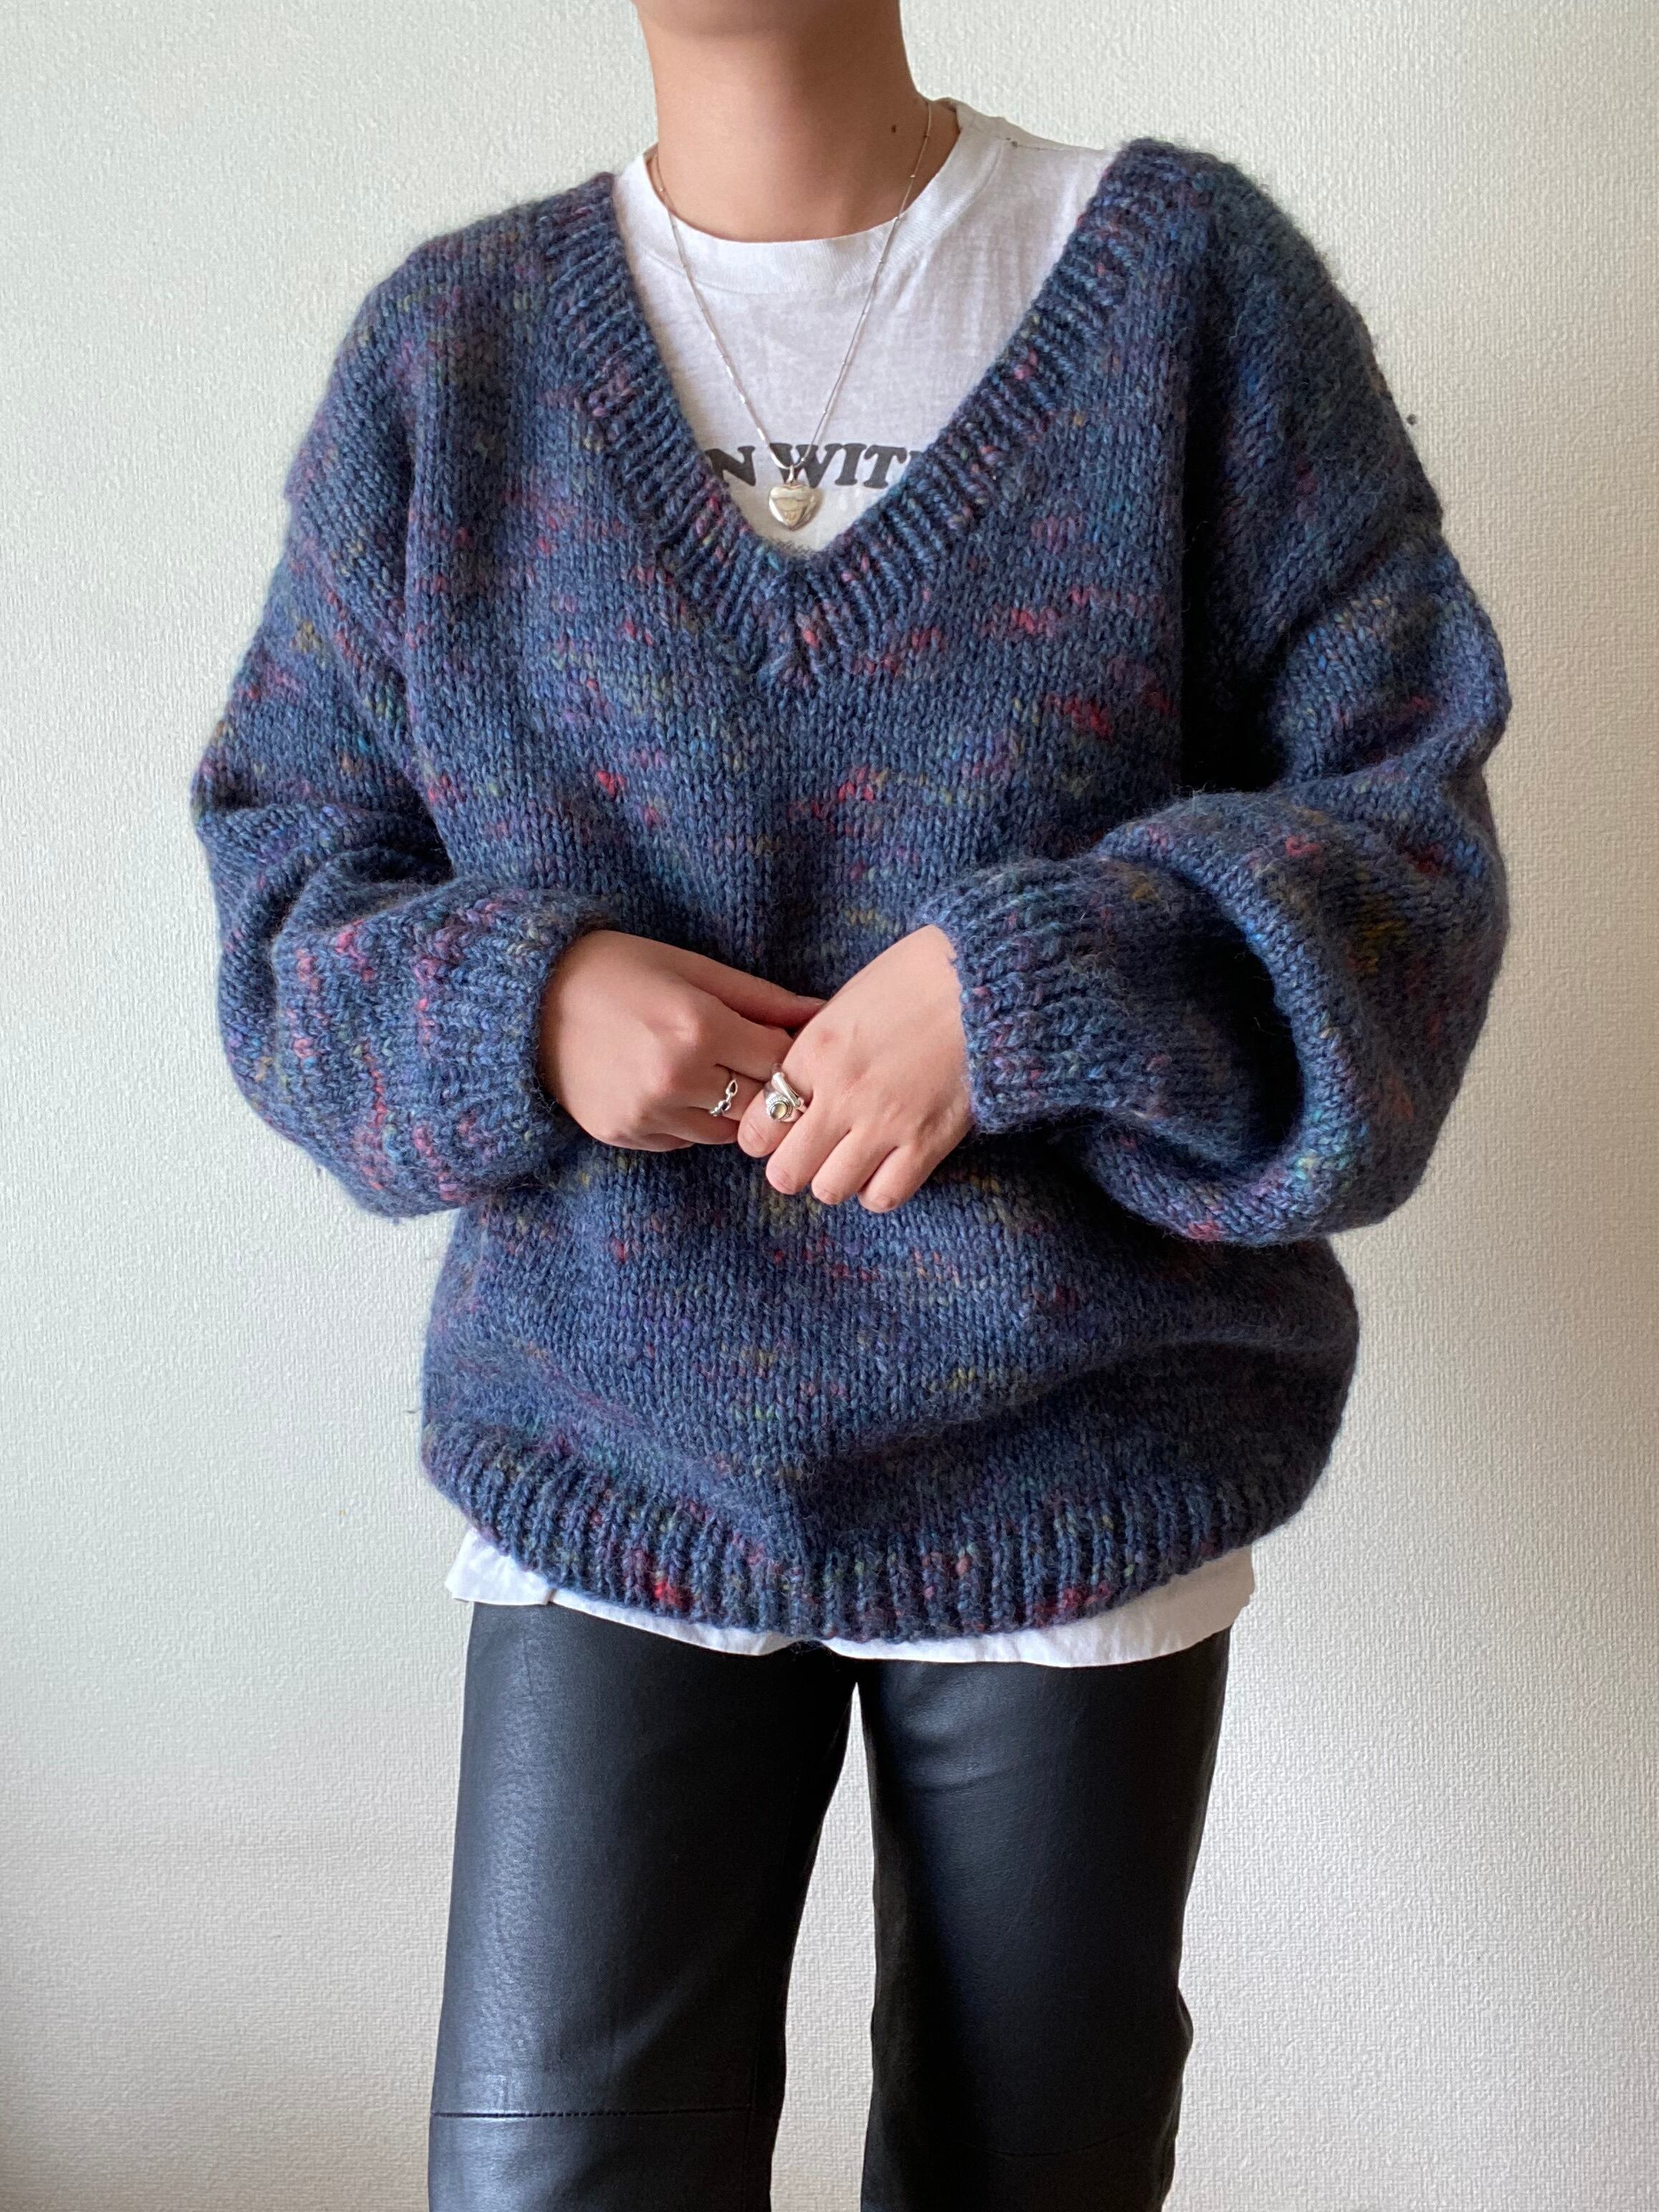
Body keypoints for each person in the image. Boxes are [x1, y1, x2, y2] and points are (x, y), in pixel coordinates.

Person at [188, 3, 1511, 2206]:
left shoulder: (1186, 292)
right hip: (605, 1459)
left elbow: (1403, 857)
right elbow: (288, 895)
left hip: (1076, 1456)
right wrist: (521, 1005)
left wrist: (1044, 985)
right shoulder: (458, 356)